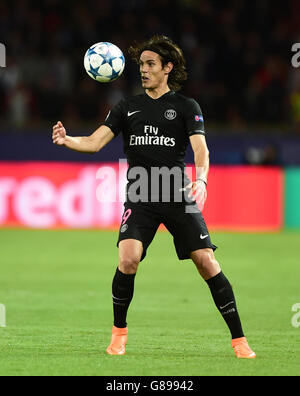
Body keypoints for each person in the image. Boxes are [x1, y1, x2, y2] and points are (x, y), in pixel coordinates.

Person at [52, 35, 256, 359]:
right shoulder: (126, 107)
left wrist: (201, 179)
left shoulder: (187, 107)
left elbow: (201, 149)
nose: (143, 71)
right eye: (141, 65)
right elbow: (93, 142)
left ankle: (239, 340)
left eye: (150, 65)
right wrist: (67, 141)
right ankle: (119, 333)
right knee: (127, 258)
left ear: (167, 68)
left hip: (176, 193)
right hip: (141, 195)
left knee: (206, 261)